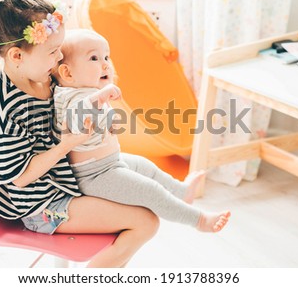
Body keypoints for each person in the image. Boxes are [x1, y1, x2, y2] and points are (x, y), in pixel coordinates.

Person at [0, 0, 160, 268]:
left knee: (147, 190)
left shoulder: (44, 76)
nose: (59, 58)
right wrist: (66, 144)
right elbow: (19, 177)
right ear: (17, 55)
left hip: (69, 181)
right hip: (43, 208)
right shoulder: (8, 107)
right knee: (145, 222)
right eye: (52, 51)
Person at [52, 29, 231, 233]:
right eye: (94, 58)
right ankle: (199, 221)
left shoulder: (90, 91)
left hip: (110, 163)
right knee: (149, 190)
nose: (105, 64)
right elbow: (76, 116)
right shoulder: (69, 97)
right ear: (67, 73)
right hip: (93, 177)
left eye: (106, 57)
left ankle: (181, 191)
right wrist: (100, 98)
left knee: (145, 166)